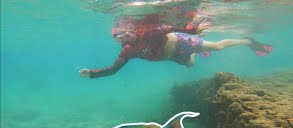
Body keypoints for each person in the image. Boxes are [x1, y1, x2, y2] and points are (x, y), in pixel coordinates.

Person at [79, 19, 272, 79]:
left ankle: (248, 42)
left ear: (133, 31)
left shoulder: (148, 34)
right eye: (118, 38)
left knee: (218, 47)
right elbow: (113, 70)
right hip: (173, 57)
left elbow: (169, 28)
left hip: (182, 42)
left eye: (126, 34)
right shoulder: (127, 52)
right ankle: (196, 52)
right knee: (190, 65)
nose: (124, 39)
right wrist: (93, 74)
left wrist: (193, 30)